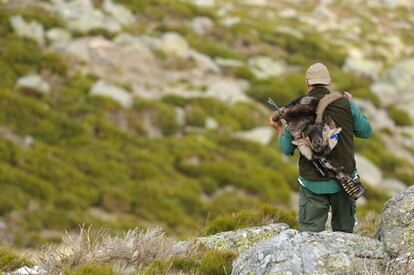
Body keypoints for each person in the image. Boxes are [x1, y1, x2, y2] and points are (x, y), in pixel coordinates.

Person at [268, 63, 372, 233]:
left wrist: (280, 129)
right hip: (344, 180)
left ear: (307, 82)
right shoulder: (346, 103)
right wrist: (352, 107)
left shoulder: (295, 109)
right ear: (328, 82)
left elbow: (287, 148)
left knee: (310, 235)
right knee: (344, 234)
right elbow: (366, 132)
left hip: (312, 183)